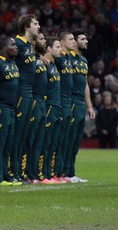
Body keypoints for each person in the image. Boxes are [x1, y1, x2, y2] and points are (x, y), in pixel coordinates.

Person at [0, 36, 20, 186]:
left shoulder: (12, 63)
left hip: (12, 109)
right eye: (13, 45)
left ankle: (6, 175)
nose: (16, 47)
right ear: (4, 48)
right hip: (1, 108)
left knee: (8, 145)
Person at [12, 14, 40, 182]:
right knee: (17, 135)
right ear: (26, 26)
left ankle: (20, 172)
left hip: (29, 92)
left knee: (24, 135)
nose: (39, 26)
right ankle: (12, 172)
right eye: (35, 24)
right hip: (21, 92)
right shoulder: (17, 44)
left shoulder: (29, 46)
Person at [67, 29, 96, 183]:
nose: (86, 41)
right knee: (68, 139)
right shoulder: (66, 58)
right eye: (83, 39)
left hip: (80, 103)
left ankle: (71, 173)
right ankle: (63, 172)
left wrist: (89, 106)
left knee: (77, 140)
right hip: (69, 101)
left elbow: (85, 85)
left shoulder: (83, 61)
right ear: (74, 42)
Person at [42, 37, 65, 183]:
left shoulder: (54, 65)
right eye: (57, 47)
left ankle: (51, 174)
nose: (60, 50)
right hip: (48, 107)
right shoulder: (44, 65)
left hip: (57, 107)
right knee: (45, 143)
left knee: (54, 143)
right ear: (49, 49)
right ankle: (41, 174)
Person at [54, 30, 75, 182]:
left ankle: (61, 173)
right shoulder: (58, 57)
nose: (74, 42)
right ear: (62, 43)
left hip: (69, 102)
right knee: (58, 140)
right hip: (60, 102)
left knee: (65, 140)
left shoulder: (68, 58)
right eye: (71, 39)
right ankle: (54, 172)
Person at [27, 33, 48, 183]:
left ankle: (35, 173)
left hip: (42, 101)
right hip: (33, 100)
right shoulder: (30, 59)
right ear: (33, 42)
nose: (44, 41)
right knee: (30, 140)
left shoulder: (41, 59)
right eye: (41, 39)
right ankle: (26, 172)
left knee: (39, 141)